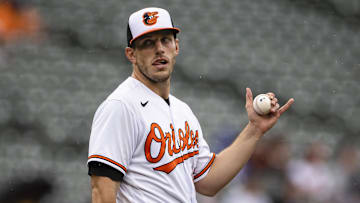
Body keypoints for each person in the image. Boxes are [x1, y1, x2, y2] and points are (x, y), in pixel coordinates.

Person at [87, 7, 294, 203]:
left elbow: (209, 182)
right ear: (131, 54)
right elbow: (101, 190)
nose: (159, 49)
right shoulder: (120, 106)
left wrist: (255, 129)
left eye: (165, 40)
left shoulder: (182, 110)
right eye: (148, 43)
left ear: (176, 46)